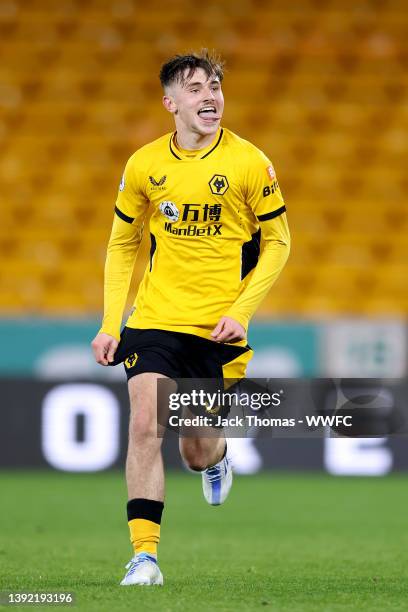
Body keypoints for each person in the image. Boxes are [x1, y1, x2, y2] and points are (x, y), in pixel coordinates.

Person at [91, 49, 290, 586]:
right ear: (170, 102)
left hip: (216, 327)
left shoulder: (250, 162)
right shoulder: (144, 164)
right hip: (154, 319)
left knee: (195, 449)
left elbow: (278, 243)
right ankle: (145, 556)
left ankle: (217, 456)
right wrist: (112, 322)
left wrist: (241, 313)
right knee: (142, 423)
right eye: (196, 87)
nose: (210, 96)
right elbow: (122, 244)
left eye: (216, 86)